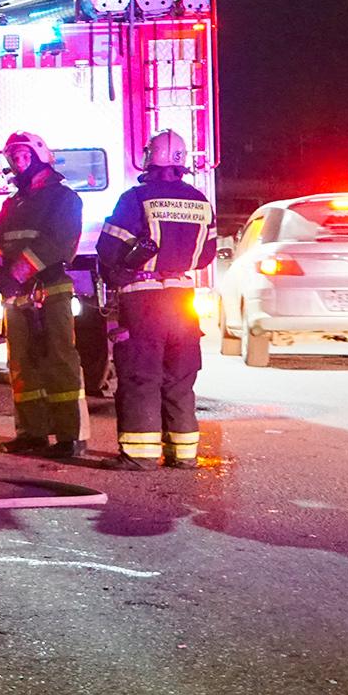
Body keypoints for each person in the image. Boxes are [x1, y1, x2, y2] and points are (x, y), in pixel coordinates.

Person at [95, 130, 216, 469]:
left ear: (150, 160)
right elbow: (206, 254)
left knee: (141, 375)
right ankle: (184, 454)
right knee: (180, 376)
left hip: (143, 299)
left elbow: (108, 249)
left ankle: (140, 455)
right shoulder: (200, 200)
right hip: (183, 299)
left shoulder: (136, 198)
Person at [0, 131, 88, 458]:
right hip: (18, 296)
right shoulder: (12, 203)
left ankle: (70, 437)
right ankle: (32, 433)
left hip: (50, 290)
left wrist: (14, 275)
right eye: (14, 157)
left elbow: (56, 242)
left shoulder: (64, 199)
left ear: (41, 155)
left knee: (59, 360)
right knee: (22, 364)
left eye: (24, 155)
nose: (18, 161)